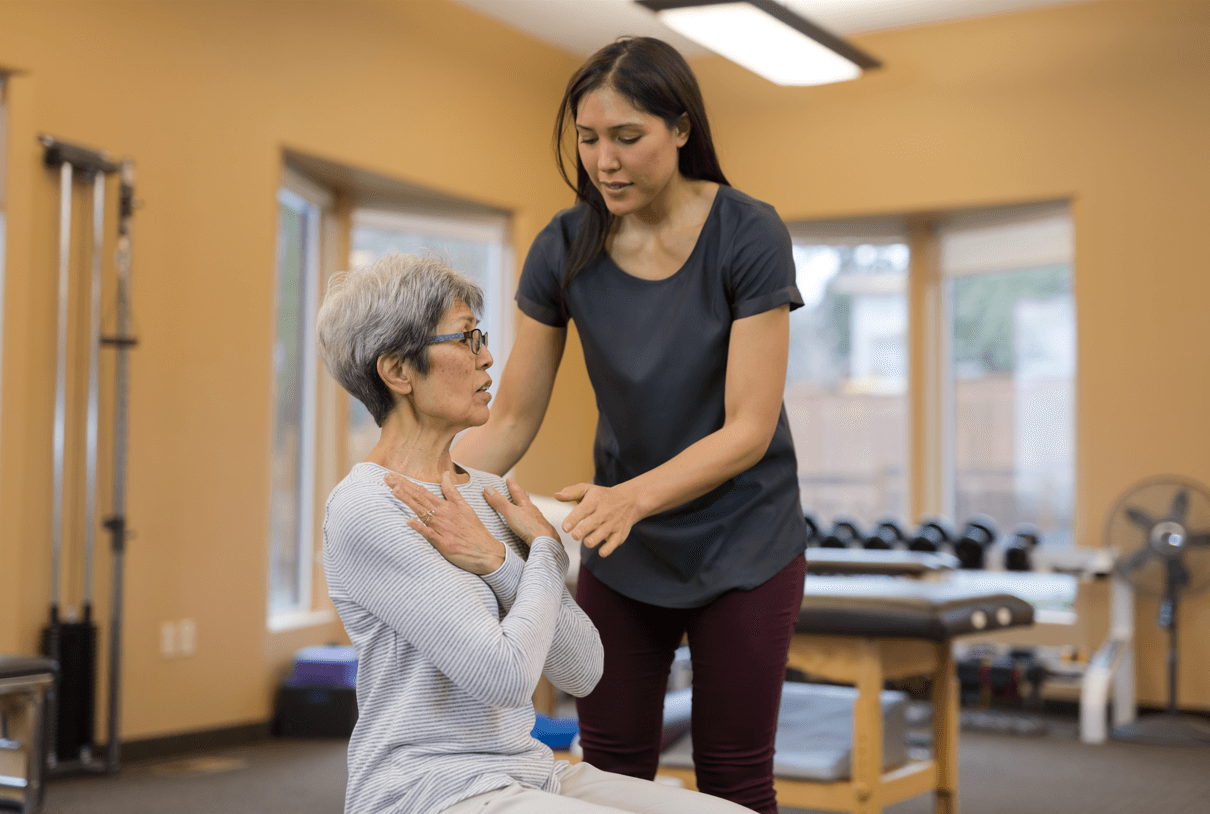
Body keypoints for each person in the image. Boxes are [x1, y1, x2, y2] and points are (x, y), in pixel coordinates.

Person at [454, 37, 809, 814]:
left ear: (681, 130)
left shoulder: (748, 233)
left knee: (735, 778)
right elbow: (510, 416)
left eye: (627, 138)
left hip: (743, 540)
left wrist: (630, 498)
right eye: (588, 139)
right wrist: (414, 485)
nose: (604, 162)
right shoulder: (563, 245)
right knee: (606, 774)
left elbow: (748, 429)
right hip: (625, 547)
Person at [316, 253, 757, 814]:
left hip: (526, 770)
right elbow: (502, 677)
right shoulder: (367, 509)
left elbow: (584, 669)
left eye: (481, 335)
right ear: (398, 371)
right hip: (425, 791)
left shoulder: (488, 491)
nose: (487, 356)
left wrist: (514, 559)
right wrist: (533, 556)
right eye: (465, 339)